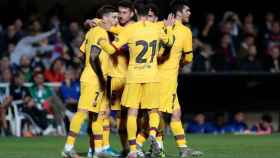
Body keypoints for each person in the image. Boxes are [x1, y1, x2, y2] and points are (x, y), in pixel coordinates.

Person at [61, 5, 118, 158]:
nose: (116, 20)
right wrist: (101, 79)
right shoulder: (100, 32)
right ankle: (68, 148)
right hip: (94, 80)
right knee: (82, 113)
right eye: (114, 17)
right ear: (105, 18)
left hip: (91, 77)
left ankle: (98, 151)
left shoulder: (91, 32)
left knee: (97, 116)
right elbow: (93, 57)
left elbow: (82, 54)